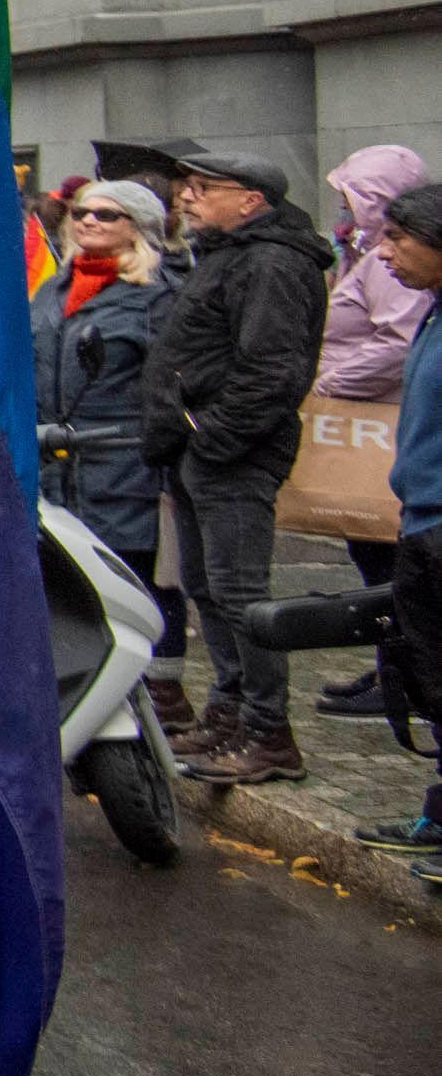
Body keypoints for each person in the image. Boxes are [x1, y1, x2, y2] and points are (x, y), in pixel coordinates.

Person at [147, 150, 329, 784]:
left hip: (234, 454)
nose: (187, 197)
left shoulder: (273, 262)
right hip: (199, 453)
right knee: (206, 587)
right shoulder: (228, 254)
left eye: (203, 188)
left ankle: (269, 733)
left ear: (251, 200)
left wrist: (212, 436)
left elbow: (273, 370)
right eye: (186, 187)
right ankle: (227, 714)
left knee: (240, 594)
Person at [313, 145, 433, 724]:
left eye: (352, 194)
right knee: (379, 566)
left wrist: (327, 379)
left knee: (390, 571)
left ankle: (401, 677)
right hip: (381, 430)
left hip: (377, 423)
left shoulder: (400, 275)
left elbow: (395, 341)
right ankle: (393, 671)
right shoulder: (368, 254)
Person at [33, 182, 171, 623]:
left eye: (107, 214)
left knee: (131, 594)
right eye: (81, 212)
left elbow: (167, 390)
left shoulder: (157, 298)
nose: (89, 220)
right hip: (51, 467)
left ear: (137, 228)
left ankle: (162, 689)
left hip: (123, 468)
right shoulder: (51, 289)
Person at [359, 184, 442, 864]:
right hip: (422, 522)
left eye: (398, 238)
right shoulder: (432, 313)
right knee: (432, 682)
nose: (384, 251)